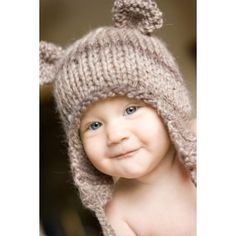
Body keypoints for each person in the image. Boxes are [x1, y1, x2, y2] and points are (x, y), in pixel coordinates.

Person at [40, 0, 196, 235]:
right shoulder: (119, 212)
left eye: (131, 110)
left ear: (168, 104)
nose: (115, 135)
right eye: (93, 125)